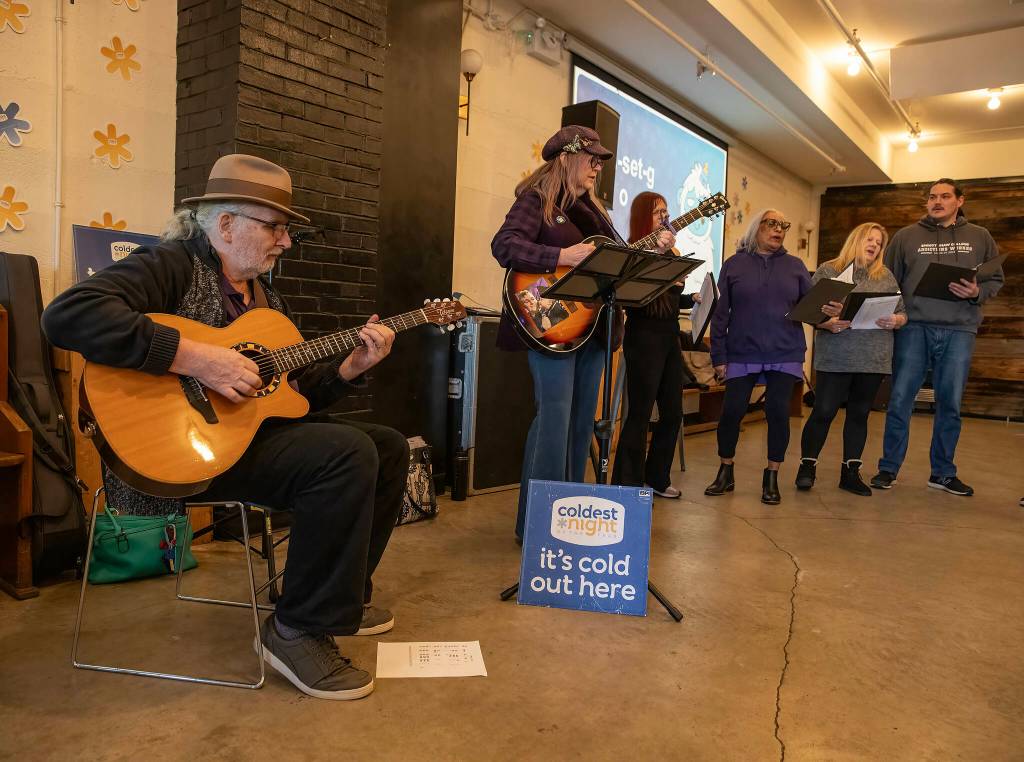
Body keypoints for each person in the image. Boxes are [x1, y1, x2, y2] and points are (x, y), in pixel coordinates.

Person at [42, 154, 409, 701]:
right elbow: (67, 315)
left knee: (387, 446)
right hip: (172, 452)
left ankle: (343, 596)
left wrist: (350, 368)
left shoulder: (268, 303)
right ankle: (296, 630)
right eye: (275, 227)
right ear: (225, 224)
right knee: (346, 451)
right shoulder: (169, 266)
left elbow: (293, 400)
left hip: (240, 443)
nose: (285, 242)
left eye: (286, 230)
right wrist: (196, 359)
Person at [491, 125, 674, 541]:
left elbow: (617, 267)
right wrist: (560, 254)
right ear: (565, 158)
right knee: (553, 419)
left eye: (601, 161)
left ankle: (567, 520)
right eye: (591, 158)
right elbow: (504, 245)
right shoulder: (536, 200)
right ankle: (537, 527)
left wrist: (653, 253)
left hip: (594, 330)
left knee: (579, 425)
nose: (597, 167)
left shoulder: (595, 213)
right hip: (550, 324)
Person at [871, 178, 1003, 496]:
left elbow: (995, 279)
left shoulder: (980, 236)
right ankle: (888, 468)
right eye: (932, 197)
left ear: (960, 200)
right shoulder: (906, 237)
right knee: (901, 399)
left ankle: (942, 473)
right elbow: (888, 282)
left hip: (960, 329)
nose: (937, 201)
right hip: (914, 327)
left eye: (945, 196)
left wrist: (976, 291)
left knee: (950, 404)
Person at [704, 209, 811, 505]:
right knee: (731, 412)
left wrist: (828, 314)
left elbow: (812, 306)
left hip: (785, 351)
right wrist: (718, 357)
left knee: (777, 412)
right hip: (742, 352)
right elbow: (720, 314)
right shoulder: (734, 265)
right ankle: (726, 471)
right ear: (757, 228)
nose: (779, 230)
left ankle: (772, 476)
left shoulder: (796, 266)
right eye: (772, 224)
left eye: (783, 225)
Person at [795, 222, 906, 496]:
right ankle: (807, 467)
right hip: (837, 357)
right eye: (869, 239)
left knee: (859, 414)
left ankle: (850, 473)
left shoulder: (886, 276)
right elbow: (807, 311)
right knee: (823, 411)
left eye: (879, 243)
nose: (874, 246)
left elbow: (903, 313)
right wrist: (825, 323)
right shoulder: (829, 270)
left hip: (874, 357)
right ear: (855, 239)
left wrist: (896, 319)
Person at [612, 191, 700, 498]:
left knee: (673, 412)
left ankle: (657, 476)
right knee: (639, 413)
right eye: (656, 211)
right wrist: (658, 256)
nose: (663, 216)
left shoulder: (673, 251)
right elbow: (632, 295)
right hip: (643, 336)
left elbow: (670, 298)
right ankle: (628, 484)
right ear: (641, 217)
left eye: (666, 210)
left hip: (669, 336)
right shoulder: (631, 251)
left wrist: (692, 298)